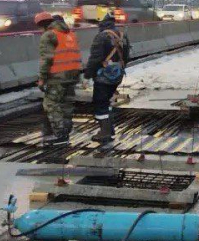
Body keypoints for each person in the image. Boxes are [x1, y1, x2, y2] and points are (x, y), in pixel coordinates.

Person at [35, 12, 82, 144]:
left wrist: (42, 79)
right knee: (67, 104)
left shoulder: (49, 35)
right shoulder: (71, 34)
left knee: (51, 104)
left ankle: (60, 134)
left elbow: (46, 59)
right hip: (72, 75)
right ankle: (66, 132)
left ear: (43, 25)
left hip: (57, 76)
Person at [84, 13, 130, 146]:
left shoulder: (102, 36)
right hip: (117, 75)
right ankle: (109, 129)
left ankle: (105, 132)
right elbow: (126, 56)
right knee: (106, 102)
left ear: (102, 24)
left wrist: (88, 75)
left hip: (104, 77)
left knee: (100, 102)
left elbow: (95, 58)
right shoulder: (122, 35)